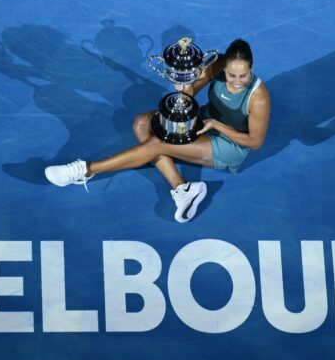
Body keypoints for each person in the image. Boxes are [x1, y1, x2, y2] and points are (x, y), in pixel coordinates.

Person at [45, 38, 271, 223]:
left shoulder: (259, 97)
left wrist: (217, 125)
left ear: (251, 68)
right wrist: (185, 87)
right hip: (203, 120)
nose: (237, 81)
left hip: (229, 146)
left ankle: (85, 170)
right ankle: (183, 189)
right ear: (225, 65)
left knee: (159, 142)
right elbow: (191, 92)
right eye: (232, 75)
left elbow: (255, 142)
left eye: (244, 75)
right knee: (142, 123)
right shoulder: (217, 62)